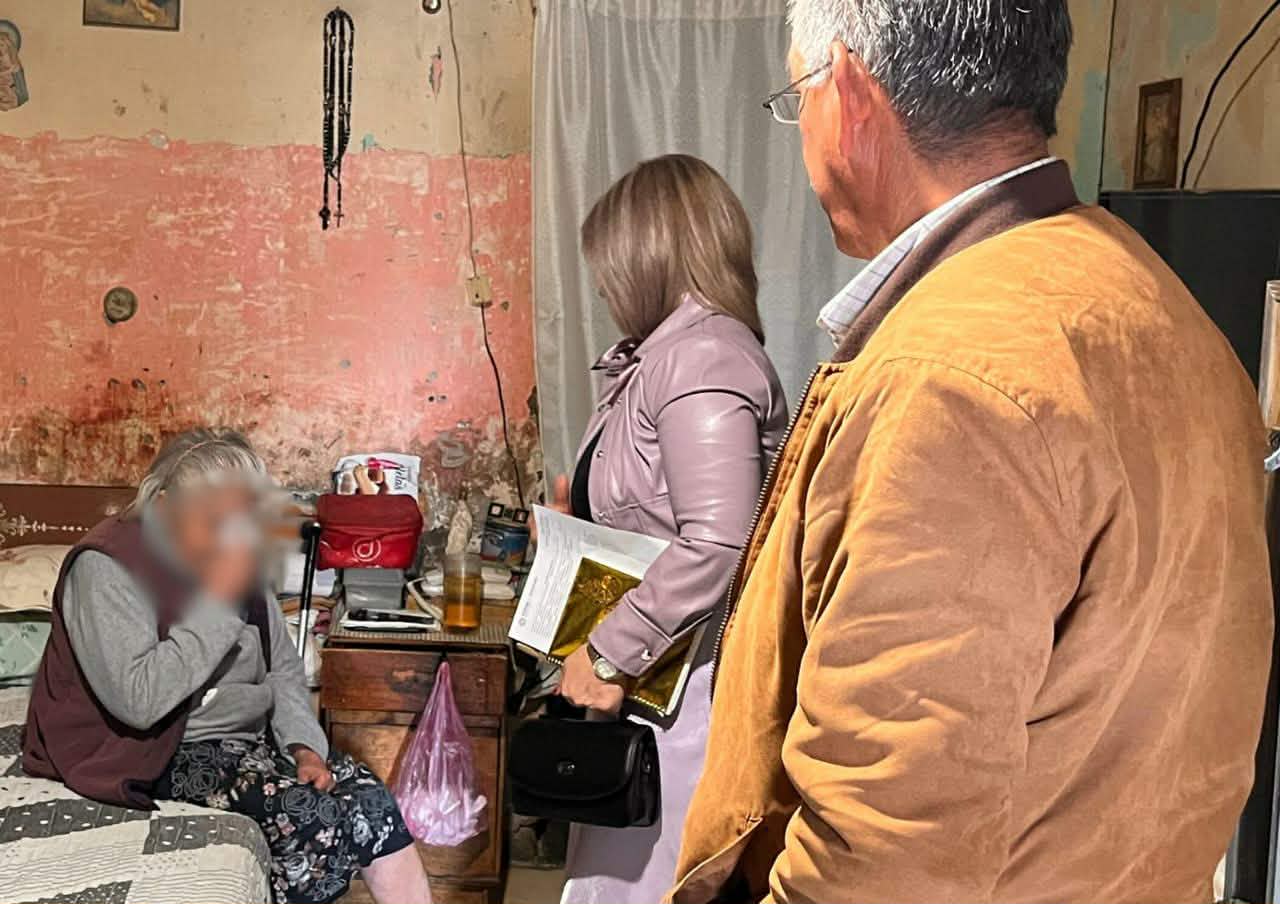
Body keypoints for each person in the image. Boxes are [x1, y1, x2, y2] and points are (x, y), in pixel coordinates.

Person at [669, 3, 1273, 904]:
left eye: (798, 99)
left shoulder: (947, 382)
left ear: (847, 90)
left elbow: (877, 860)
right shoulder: (1158, 303)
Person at [23, 429, 433, 904]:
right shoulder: (105, 567)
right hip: (157, 747)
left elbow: (282, 668)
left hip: (243, 737)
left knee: (369, 799)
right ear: (163, 507)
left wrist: (305, 749)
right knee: (309, 817)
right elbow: (139, 701)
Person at [553, 154, 789, 904]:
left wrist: (609, 652)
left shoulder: (701, 357)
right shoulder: (664, 358)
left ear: (648, 255)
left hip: (687, 691)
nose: (603, 287)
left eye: (609, 266)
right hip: (659, 682)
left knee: (653, 886)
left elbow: (718, 541)